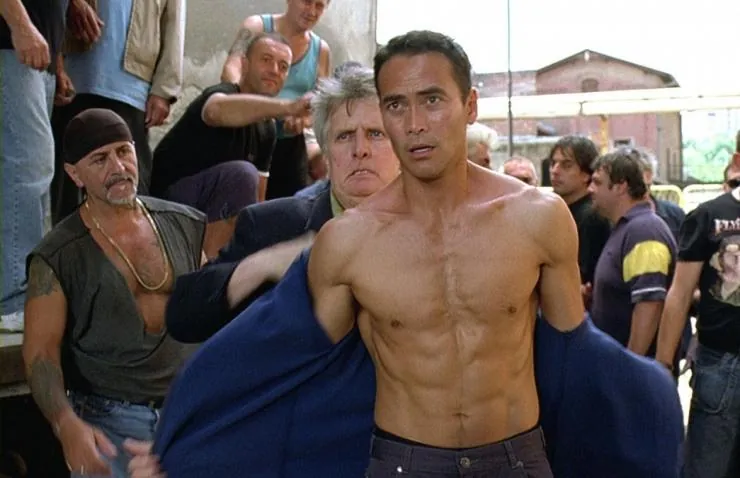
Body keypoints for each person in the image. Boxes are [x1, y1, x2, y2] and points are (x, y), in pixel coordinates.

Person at [306, 30, 584, 476]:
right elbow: (312, 372)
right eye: (396, 105)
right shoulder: (347, 241)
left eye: (432, 100)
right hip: (404, 460)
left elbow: (575, 351)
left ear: (470, 106)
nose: (415, 123)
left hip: (516, 458)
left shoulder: (537, 218)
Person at [22, 109, 206, 478]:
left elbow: (212, 314)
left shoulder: (184, 224)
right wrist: (65, 423)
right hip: (108, 424)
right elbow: (40, 352)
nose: (118, 167)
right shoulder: (57, 255)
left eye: (124, 151)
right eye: (100, 159)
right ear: (75, 174)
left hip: (187, 413)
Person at [162, 66, 400, 343]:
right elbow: (181, 316)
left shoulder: (432, 228)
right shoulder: (273, 225)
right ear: (325, 154)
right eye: (344, 136)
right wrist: (258, 267)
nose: (360, 149)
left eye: (375, 134)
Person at [150, 32, 310, 258]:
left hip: (210, 216)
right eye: (266, 60)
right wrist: (289, 108)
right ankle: (211, 273)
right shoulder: (221, 94)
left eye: (283, 67)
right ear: (245, 64)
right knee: (242, 175)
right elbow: (215, 111)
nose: (275, 70)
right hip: (166, 210)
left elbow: (257, 201)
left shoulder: (268, 128)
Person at [50, 0, 186, 224]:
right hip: (74, 77)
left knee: (129, 187)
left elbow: (174, 23)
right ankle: (69, 246)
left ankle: (131, 243)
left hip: (132, 86)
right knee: (68, 188)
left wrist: (164, 89)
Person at [656, 180, 740, 478]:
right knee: (708, 464)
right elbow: (679, 294)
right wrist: (663, 366)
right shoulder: (709, 216)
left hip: (719, 364)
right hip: (720, 360)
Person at [0, 0, 70, 332]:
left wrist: (58, 63)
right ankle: (14, 301)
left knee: (31, 172)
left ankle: (27, 294)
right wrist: (20, 25)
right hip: (12, 46)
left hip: (36, 54)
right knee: (28, 168)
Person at [223, 0, 331, 199]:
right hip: (248, 131)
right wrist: (256, 107)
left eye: (319, 5)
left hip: (290, 140)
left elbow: (320, 103)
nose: (312, 11)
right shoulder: (256, 27)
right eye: (307, 2)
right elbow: (231, 71)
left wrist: (303, 119)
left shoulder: (320, 50)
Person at [587, 149, 676, 358]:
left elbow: (650, 302)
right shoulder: (626, 228)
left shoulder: (644, 231)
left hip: (633, 368)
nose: (590, 189)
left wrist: (631, 363)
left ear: (621, 186)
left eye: (597, 182)